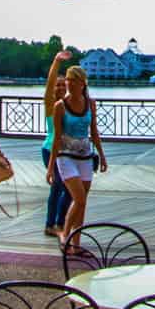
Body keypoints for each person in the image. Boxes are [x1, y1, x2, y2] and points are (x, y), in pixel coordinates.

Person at [52, 66, 107, 255]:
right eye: (68, 79)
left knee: (82, 203)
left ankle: (76, 244)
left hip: (85, 156)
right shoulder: (60, 106)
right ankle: (65, 236)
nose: (70, 83)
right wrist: (50, 167)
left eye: (74, 80)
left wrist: (102, 155)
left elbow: (94, 132)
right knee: (79, 198)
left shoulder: (90, 104)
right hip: (65, 156)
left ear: (83, 83)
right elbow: (57, 137)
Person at [41, 49, 74, 240]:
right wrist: (56, 61)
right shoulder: (50, 104)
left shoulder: (69, 104)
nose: (60, 87)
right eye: (58, 85)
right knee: (58, 186)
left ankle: (60, 223)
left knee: (70, 188)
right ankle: (49, 224)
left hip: (67, 152)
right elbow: (49, 83)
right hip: (50, 150)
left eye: (64, 85)